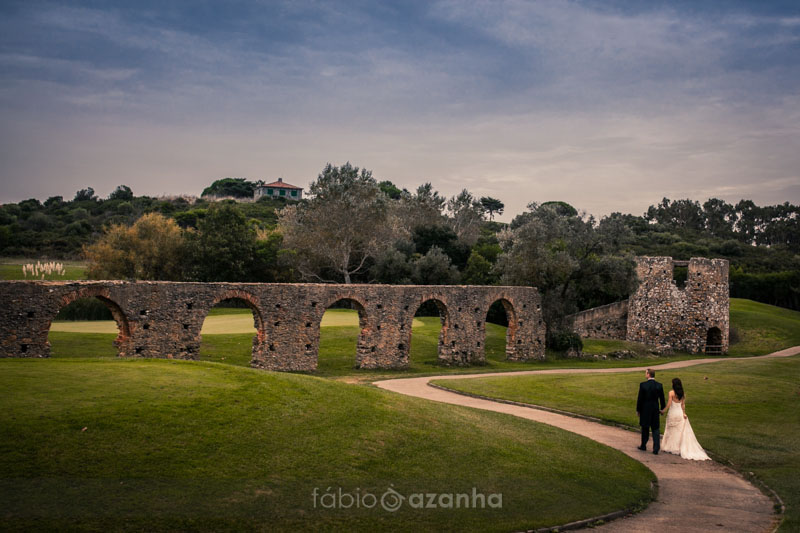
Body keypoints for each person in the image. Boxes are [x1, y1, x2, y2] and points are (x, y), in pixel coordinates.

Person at [660, 378, 710, 461]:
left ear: (674, 384)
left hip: (672, 413)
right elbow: (683, 405)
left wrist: (663, 410)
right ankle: (677, 447)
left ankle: (670, 447)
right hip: (679, 413)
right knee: (678, 432)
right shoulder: (682, 394)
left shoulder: (671, 393)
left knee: (671, 430)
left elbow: (669, 404)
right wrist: (684, 413)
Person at [636, 368, 666, 454]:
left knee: (645, 427)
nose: (645, 374)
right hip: (655, 408)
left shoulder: (643, 385)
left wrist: (638, 409)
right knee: (655, 428)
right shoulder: (659, 385)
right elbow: (662, 399)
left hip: (645, 408)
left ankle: (643, 445)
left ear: (648, 374)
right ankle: (656, 448)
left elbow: (640, 399)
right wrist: (662, 408)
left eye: (646, 373)